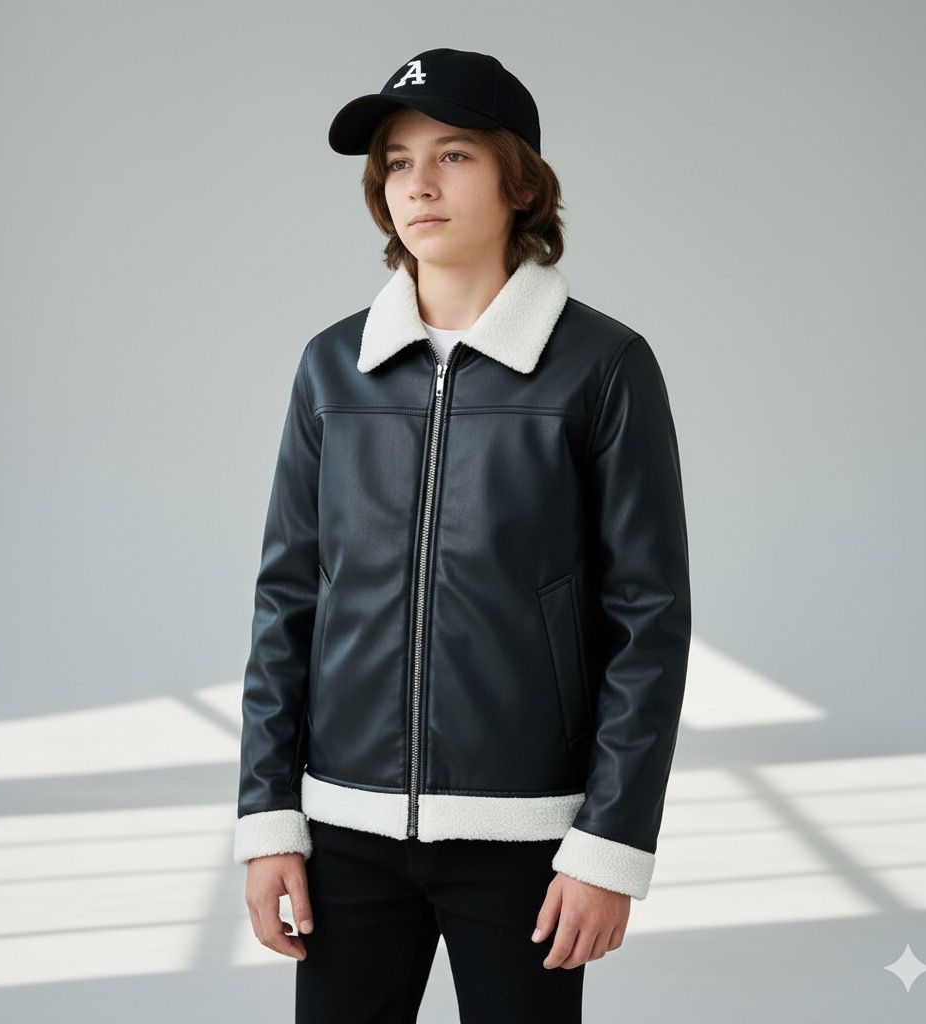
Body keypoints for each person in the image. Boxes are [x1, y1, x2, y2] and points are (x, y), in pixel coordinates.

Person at [234, 47, 692, 1024]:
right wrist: (267, 819)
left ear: (519, 181)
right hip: (343, 831)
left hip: (529, 839)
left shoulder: (602, 367)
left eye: (453, 155)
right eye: (397, 162)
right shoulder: (333, 368)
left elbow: (647, 621)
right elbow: (288, 602)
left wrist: (609, 844)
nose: (419, 184)